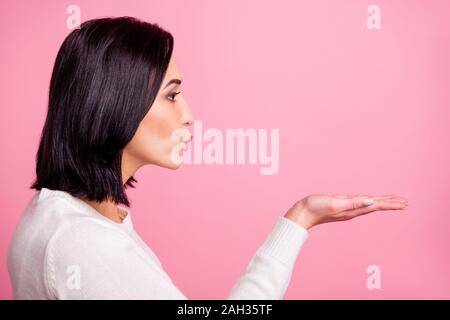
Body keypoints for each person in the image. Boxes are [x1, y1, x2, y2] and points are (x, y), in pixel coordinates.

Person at [7, 16, 408, 300]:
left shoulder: (57, 213)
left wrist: (300, 216)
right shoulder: (84, 244)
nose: (188, 116)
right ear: (115, 103)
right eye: (172, 95)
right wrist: (299, 224)